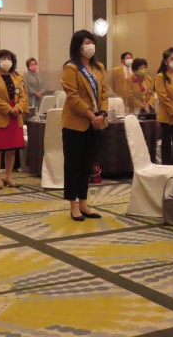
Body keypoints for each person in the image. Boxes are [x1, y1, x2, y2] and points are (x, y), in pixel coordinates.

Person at [61, 30, 108, 221]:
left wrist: (102, 114)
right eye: (86, 42)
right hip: (75, 124)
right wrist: (91, 116)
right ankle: (73, 206)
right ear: (78, 46)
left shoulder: (99, 67)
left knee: (87, 164)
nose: (90, 46)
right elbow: (73, 97)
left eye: (92, 42)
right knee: (73, 165)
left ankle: (84, 203)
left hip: (95, 123)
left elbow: (104, 93)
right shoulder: (71, 68)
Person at [0, 49, 28, 189]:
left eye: (9, 58)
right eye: (3, 58)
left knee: (12, 149)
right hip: (0, 116)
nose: (6, 61)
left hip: (16, 117)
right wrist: (9, 109)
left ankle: (8, 176)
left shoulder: (17, 76)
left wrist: (18, 108)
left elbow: (23, 96)